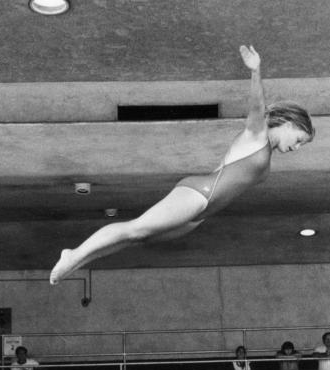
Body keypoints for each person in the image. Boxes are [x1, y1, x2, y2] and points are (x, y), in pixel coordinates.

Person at [50, 45, 314, 283]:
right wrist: (256, 71)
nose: (297, 147)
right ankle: (74, 254)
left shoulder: (266, 150)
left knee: (137, 238)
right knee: (136, 228)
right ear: (290, 124)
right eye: (300, 139)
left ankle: (80, 260)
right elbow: (257, 108)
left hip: (199, 214)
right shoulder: (257, 135)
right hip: (199, 195)